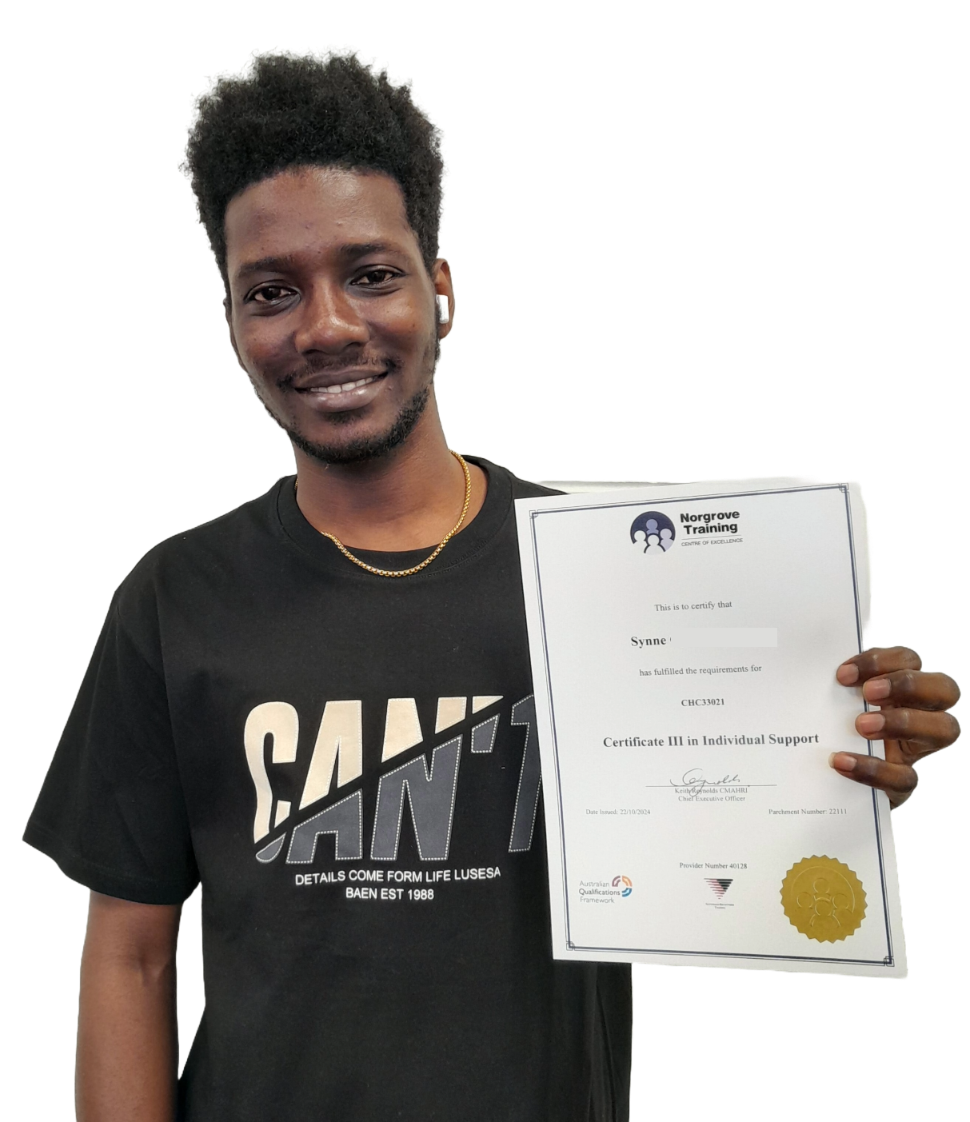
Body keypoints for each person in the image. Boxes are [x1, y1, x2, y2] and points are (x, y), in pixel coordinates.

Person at [21, 45, 962, 1122]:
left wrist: (829, 747)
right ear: (233, 321)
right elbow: (132, 954)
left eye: (371, 274)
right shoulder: (175, 597)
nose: (325, 326)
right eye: (272, 291)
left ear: (441, 289)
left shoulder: (613, 577)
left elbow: (722, 830)